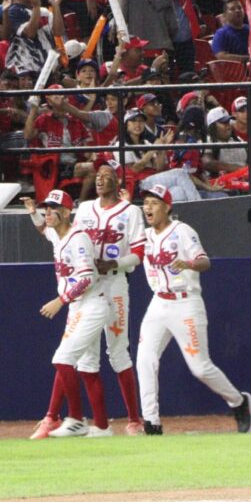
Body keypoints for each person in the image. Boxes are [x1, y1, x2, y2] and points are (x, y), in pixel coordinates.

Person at [31, 162, 147, 438]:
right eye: (98, 175)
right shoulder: (84, 209)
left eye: (107, 175)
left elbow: (139, 253)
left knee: (118, 352)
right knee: (83, 358)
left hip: (113, 283)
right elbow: (55, 233)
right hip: (83, 289)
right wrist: (34, 214)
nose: (100, 179)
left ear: (118, 181)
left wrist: (114, 263)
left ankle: (133, 420)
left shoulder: (130, 211)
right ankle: (76, 420)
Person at [134, 184, 251, 435]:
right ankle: (151, 422)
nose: (148, 207)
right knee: (145, 359)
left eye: (154, 203)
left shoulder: (182, 231)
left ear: (168, 207)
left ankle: (238, 401)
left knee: (200, 367)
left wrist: (188, 263)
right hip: (159, 302)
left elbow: (204, 261)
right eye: (146, 203)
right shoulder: (145, 236)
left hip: (185, 302)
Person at [25, 190, 112, 438]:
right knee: (88, 368)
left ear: (66, 212)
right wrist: (33, 213)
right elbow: (44, 230)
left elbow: (87, 278)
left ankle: (76, 419)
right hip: (79, 305)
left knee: (62, 359)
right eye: (46, 208)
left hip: (90, 304)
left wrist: (60, 301)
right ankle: (102, 427)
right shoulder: (58, 234)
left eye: (52, 209)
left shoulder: (78, 238)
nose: (47, 213)